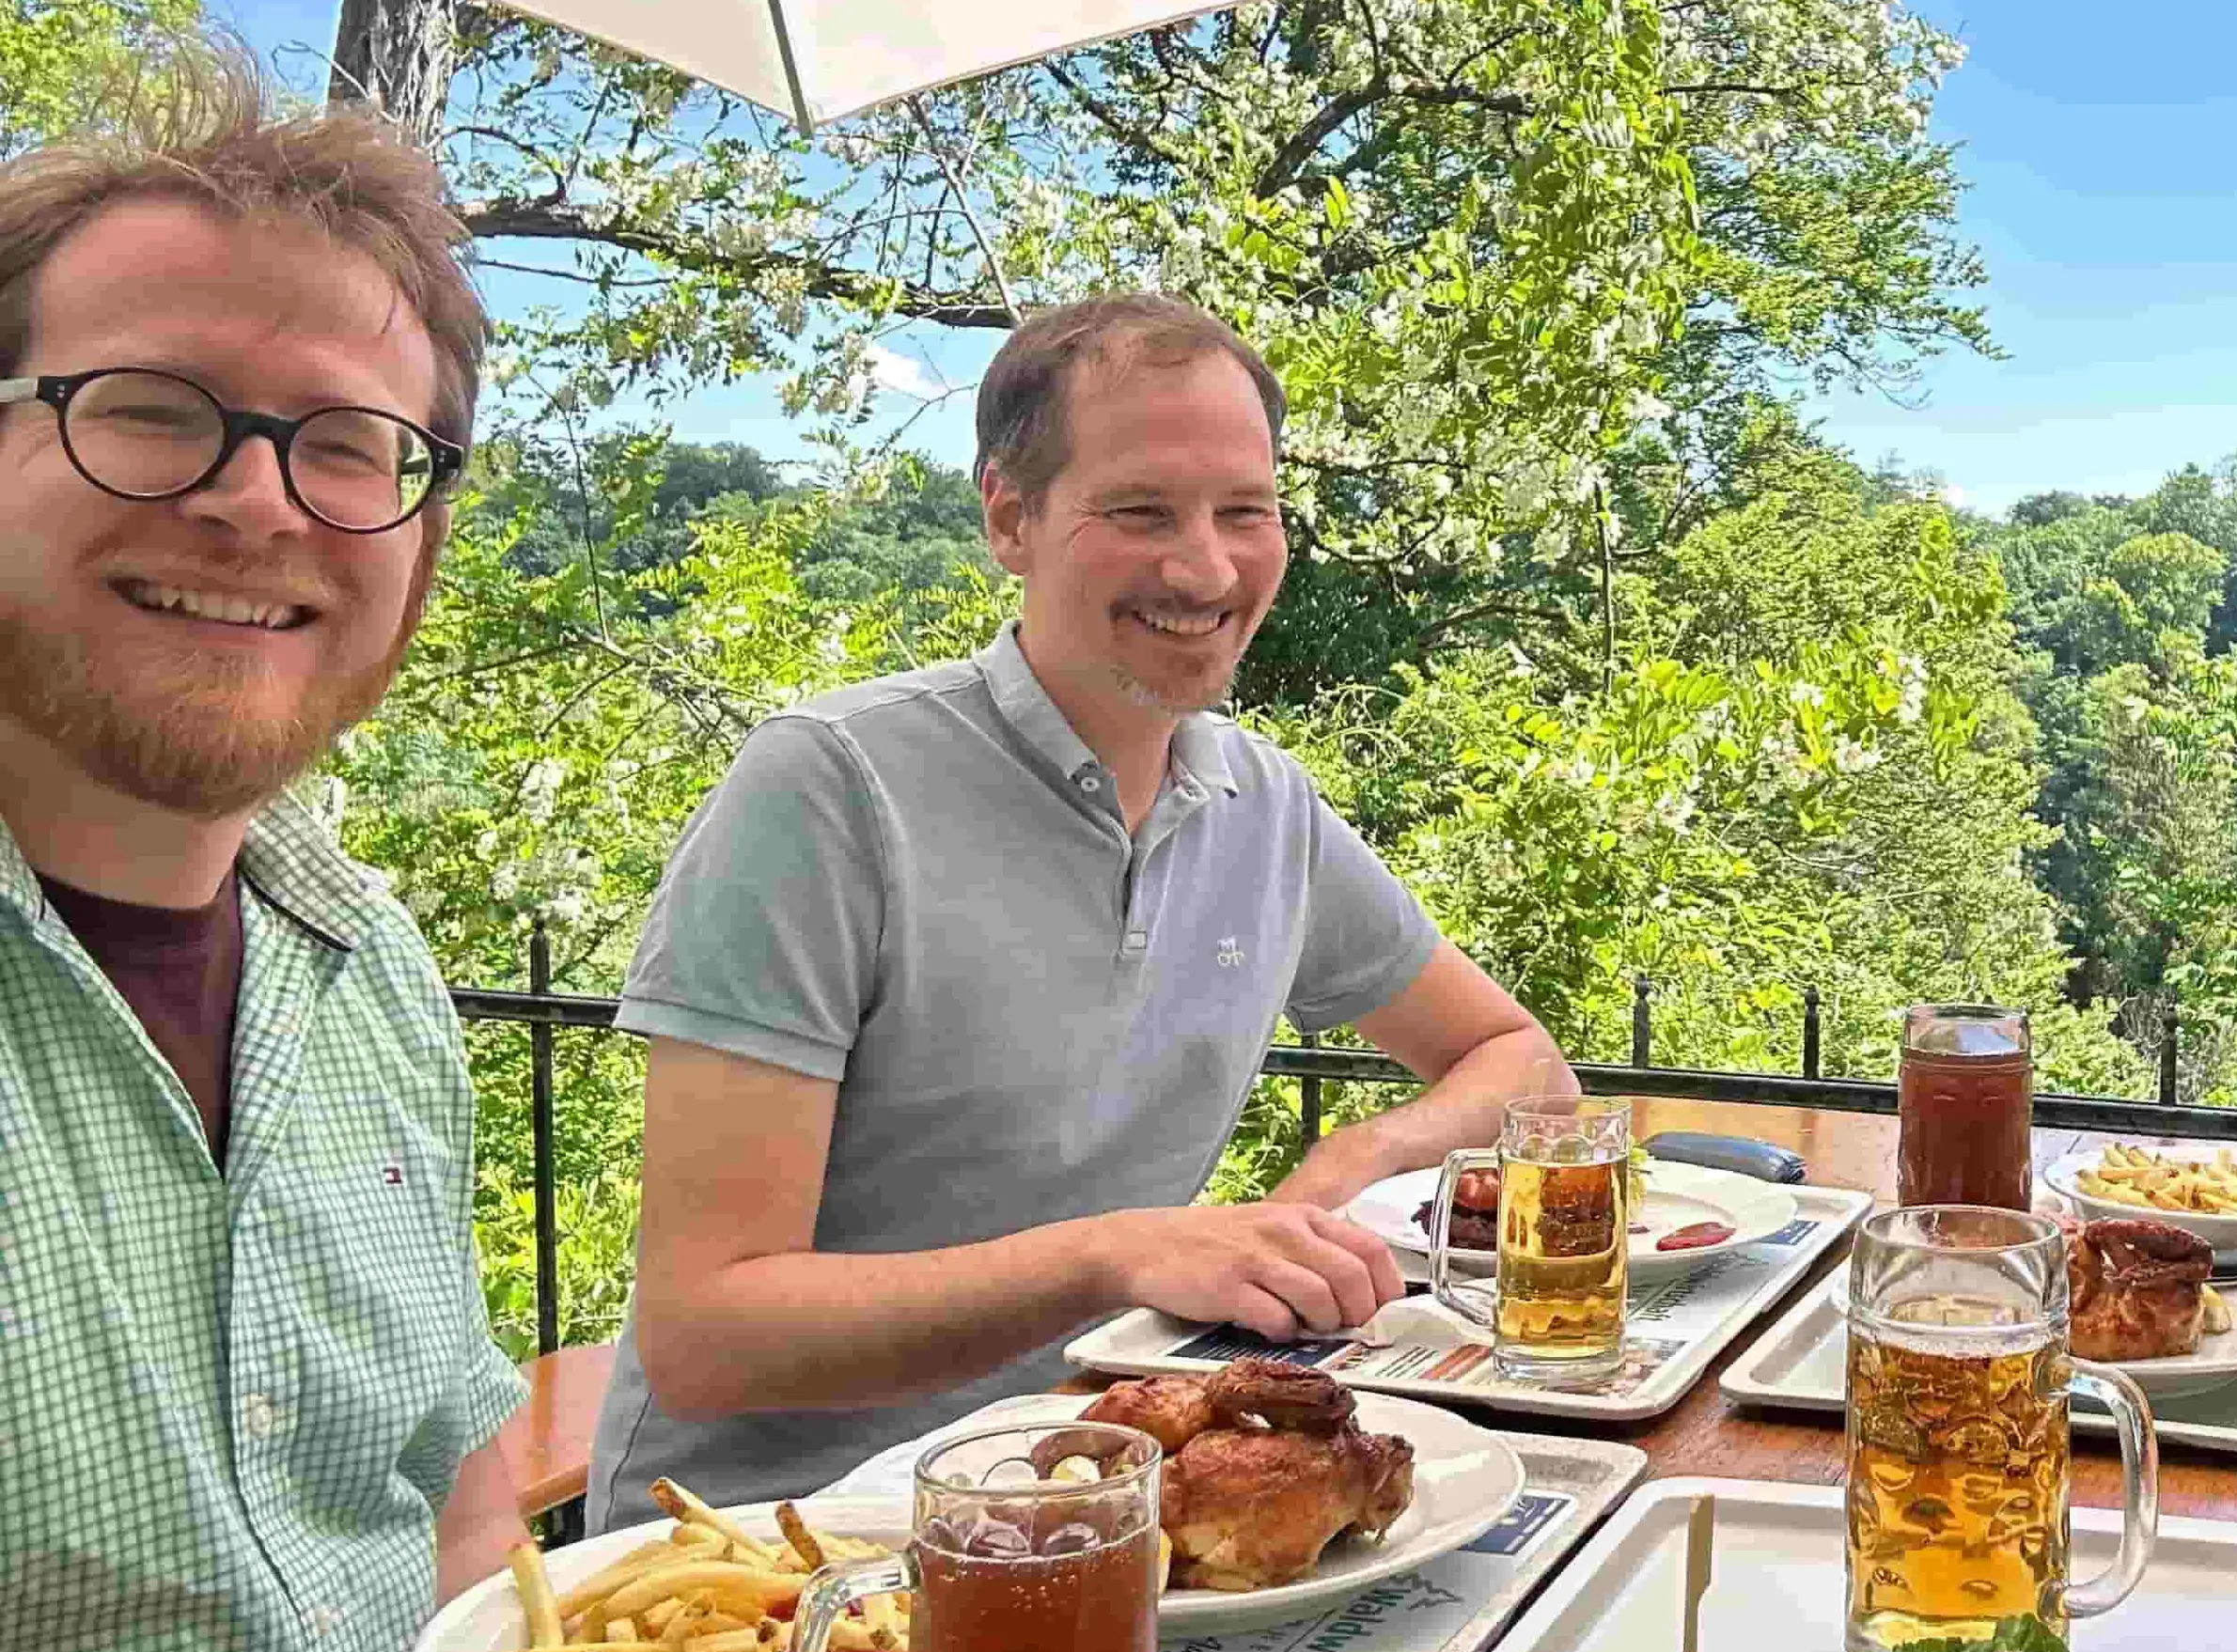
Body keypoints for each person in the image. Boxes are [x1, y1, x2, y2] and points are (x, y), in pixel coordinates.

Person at [590, 293, 1570, 1525]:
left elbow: (1521, 1064)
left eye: (1245, 512)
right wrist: (1114, 1254)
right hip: (783, 1548)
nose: (1207, 568)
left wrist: (1348, 1167)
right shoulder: (830, 786)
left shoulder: (1263, 802)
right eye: (1141, 512)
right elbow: (705, 1334)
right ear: (1012, 519)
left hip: (1101, 1506)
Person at [0, 53, 530, 1652]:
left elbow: (456, 1503)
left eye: (345, 447)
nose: (255, 507)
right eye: (149, 415)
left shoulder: (367, 969)